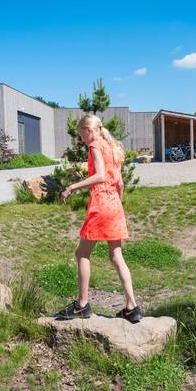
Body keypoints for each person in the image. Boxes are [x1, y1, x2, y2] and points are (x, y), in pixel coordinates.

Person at [56, 114, 141, 323]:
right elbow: (119, 183)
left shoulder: (95, 145)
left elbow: (101, 175)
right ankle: (132, 307)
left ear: (88, 129)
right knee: (116, 255)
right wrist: (117, 205)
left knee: (82, 253)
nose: (82, 139)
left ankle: (82, 305)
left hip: (101, 203)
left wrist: (72, 187)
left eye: (81, 134)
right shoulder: (114, 148)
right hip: (114, 204)